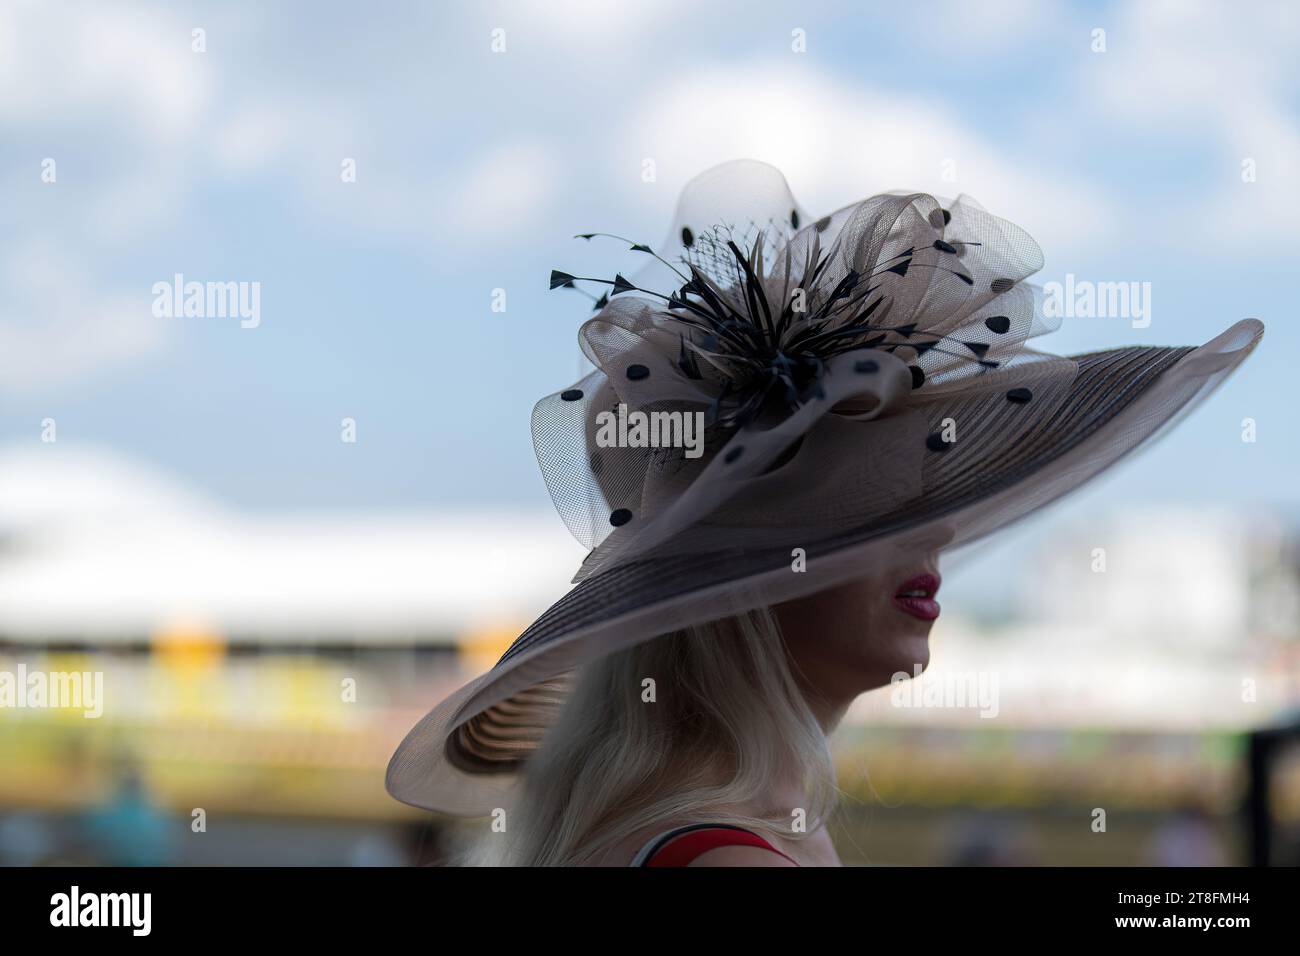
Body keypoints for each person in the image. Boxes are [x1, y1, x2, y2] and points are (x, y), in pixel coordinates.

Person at [387, 160, 1263, 866]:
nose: (937, 538)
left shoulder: (697, 831)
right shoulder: (735, 853)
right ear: (748, 583)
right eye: (874, 515)